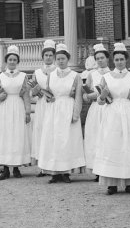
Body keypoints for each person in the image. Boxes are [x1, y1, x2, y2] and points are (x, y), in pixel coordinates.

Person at [93, 42, 130, 195]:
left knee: (129, 146)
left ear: (126, 60)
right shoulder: (106, 77)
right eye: (117, 60)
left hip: (128, 113)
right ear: (113, 61)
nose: (119, 62)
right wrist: (101, 96)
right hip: (112, 113)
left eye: (122, 59)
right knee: (112, 145)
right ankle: (112, 184)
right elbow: (100, 101)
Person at [37, 43, 85, 183]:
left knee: (67, 140)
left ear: (67, 59)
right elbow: (48, 92)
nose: (60, 61)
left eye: (63, 58)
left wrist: (75, 114)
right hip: (53, 110)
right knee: (53, 140)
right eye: (58, 59)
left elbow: (78, 97)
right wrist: (48, 98)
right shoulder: (51, 75)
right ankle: (54, 172)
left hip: (68, 109)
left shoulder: (75, 76)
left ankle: (66, 172)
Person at [0, 45, 32, 180]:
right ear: (6, 61)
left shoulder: (23, 76)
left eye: (14, 60)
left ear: (17, 61)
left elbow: (26, 95)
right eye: (10, 60)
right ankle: (6, 168)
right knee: (5, 136)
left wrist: (27, 112)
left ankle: (17, 167)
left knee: (17, 135)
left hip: (18, 107)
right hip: (5, 108)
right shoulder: (0, 76)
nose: (12, 62)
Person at [83, 42, 111, 179]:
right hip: (95, 109)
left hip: (108, 107)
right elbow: (85, 93)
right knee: (94, 137)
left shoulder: (112, 74)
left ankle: (107, 167)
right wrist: (88, 96)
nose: (100, 60)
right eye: (98, 58)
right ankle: (96, 169)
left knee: (107, 137)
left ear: (107, 59)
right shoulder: (91, 75)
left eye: (102, 58)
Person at [29, 39, 57, 175]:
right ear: (42, 57)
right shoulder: (37, 72)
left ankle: (54, 164)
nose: (48, 57)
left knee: (52, 132)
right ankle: (42, 165)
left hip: (54, 106)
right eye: (46, 55)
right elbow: (32, 94)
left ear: (54, 57)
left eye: (51, 55)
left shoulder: (58, 71)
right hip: (41, 106)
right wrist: (35, 92)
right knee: (41, 132)